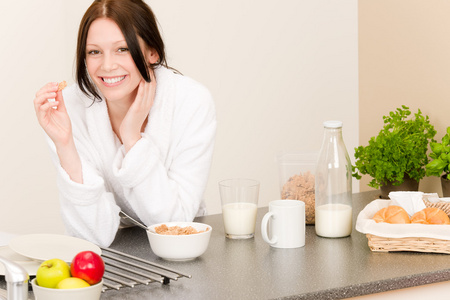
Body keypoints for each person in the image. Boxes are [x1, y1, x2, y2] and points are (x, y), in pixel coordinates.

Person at [33, 0, 216, 247]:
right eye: (94, 52)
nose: (107, 65)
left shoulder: (191, 102)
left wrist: (132, 138)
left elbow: (173, 225)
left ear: (153, 52)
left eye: (122, 49)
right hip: (113, 257)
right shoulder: (68, 109)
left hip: (183, 254)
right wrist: (65, 146)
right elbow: (92, 236)